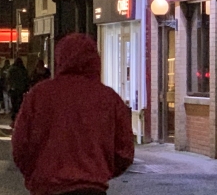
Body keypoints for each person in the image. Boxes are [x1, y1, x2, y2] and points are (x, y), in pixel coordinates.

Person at [12, 33, 134, 195]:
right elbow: (124, 151)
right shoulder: (109, 98)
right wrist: (100, 170)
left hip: (48, 186)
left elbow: (21, 145)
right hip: (91, 187)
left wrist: (36, 174)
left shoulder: (40, 95)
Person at [7, 57, 30, 125]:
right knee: (19, 105)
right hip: (21, 90)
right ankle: (19, 119)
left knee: (14, 105)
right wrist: (26, 88)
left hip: (13, 90)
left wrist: (9, 87)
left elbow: (8, 79)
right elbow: (26, 80)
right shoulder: (23, 70)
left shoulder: (11, 69)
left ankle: (14, 119)